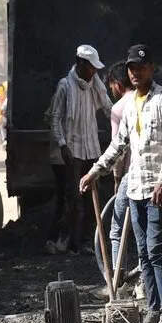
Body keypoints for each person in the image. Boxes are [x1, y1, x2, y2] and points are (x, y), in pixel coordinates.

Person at [80, 44, 162, 323]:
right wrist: (94, 172)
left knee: (156, 249)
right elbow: (118, 145)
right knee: (144, 253)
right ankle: (152, 309)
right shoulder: (129, 106)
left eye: (141, 67)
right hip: (135, 188)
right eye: (132, 68)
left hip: (156, 189)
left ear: (152, 68)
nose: (136, 73)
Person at [51, 44, 113, 254]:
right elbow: (55, 118)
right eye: (90, 67)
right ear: (80, 63)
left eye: (95, 68)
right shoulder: (65, 86)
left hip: (91, 148)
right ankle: (70, 241)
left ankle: (86, 241)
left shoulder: (94, 83)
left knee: (90, 196)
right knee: (73, 197)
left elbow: (107, 106)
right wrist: (62, 144)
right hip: (73, 150)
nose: (93, 71)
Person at [106, 64, 135, 276]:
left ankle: (119, 278)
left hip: (130, 175)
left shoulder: (118, 108)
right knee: (145, 230)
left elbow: (118, 150)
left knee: (117, 229)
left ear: (117, 84)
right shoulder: (146, 99)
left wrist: (117, 180)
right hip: (151, 174)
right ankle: (144, 280)